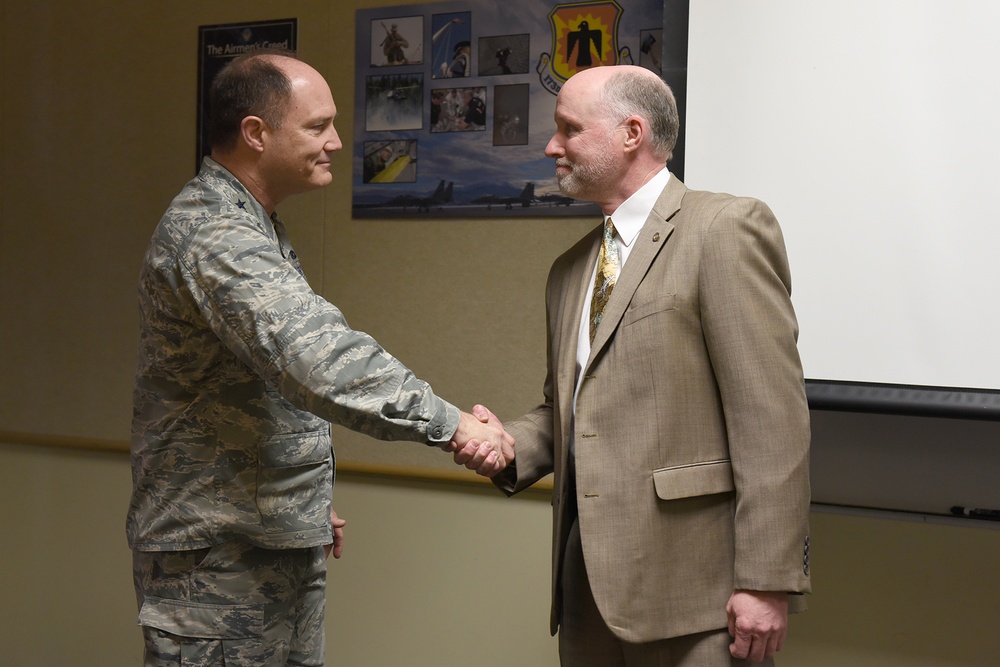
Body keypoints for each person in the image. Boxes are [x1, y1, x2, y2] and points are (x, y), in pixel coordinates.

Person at [127, 49, 513, 666]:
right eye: (317, 126)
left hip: (263, 540)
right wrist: (454, 426)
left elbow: (255, 382)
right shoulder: (216, 233)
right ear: (256, 133)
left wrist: (299, 497)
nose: (336, 142)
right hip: (218, 568)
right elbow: (317, 360)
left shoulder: (254, 223)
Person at [476, 65, 811, 665]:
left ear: (631, 133)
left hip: (699, 595)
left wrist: (767, 580)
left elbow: (772, 420)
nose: (552, 146)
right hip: (587, 593)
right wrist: (507, 445)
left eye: (568, 130)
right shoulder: (570, 269)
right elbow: (571, 410)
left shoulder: (724, 229)